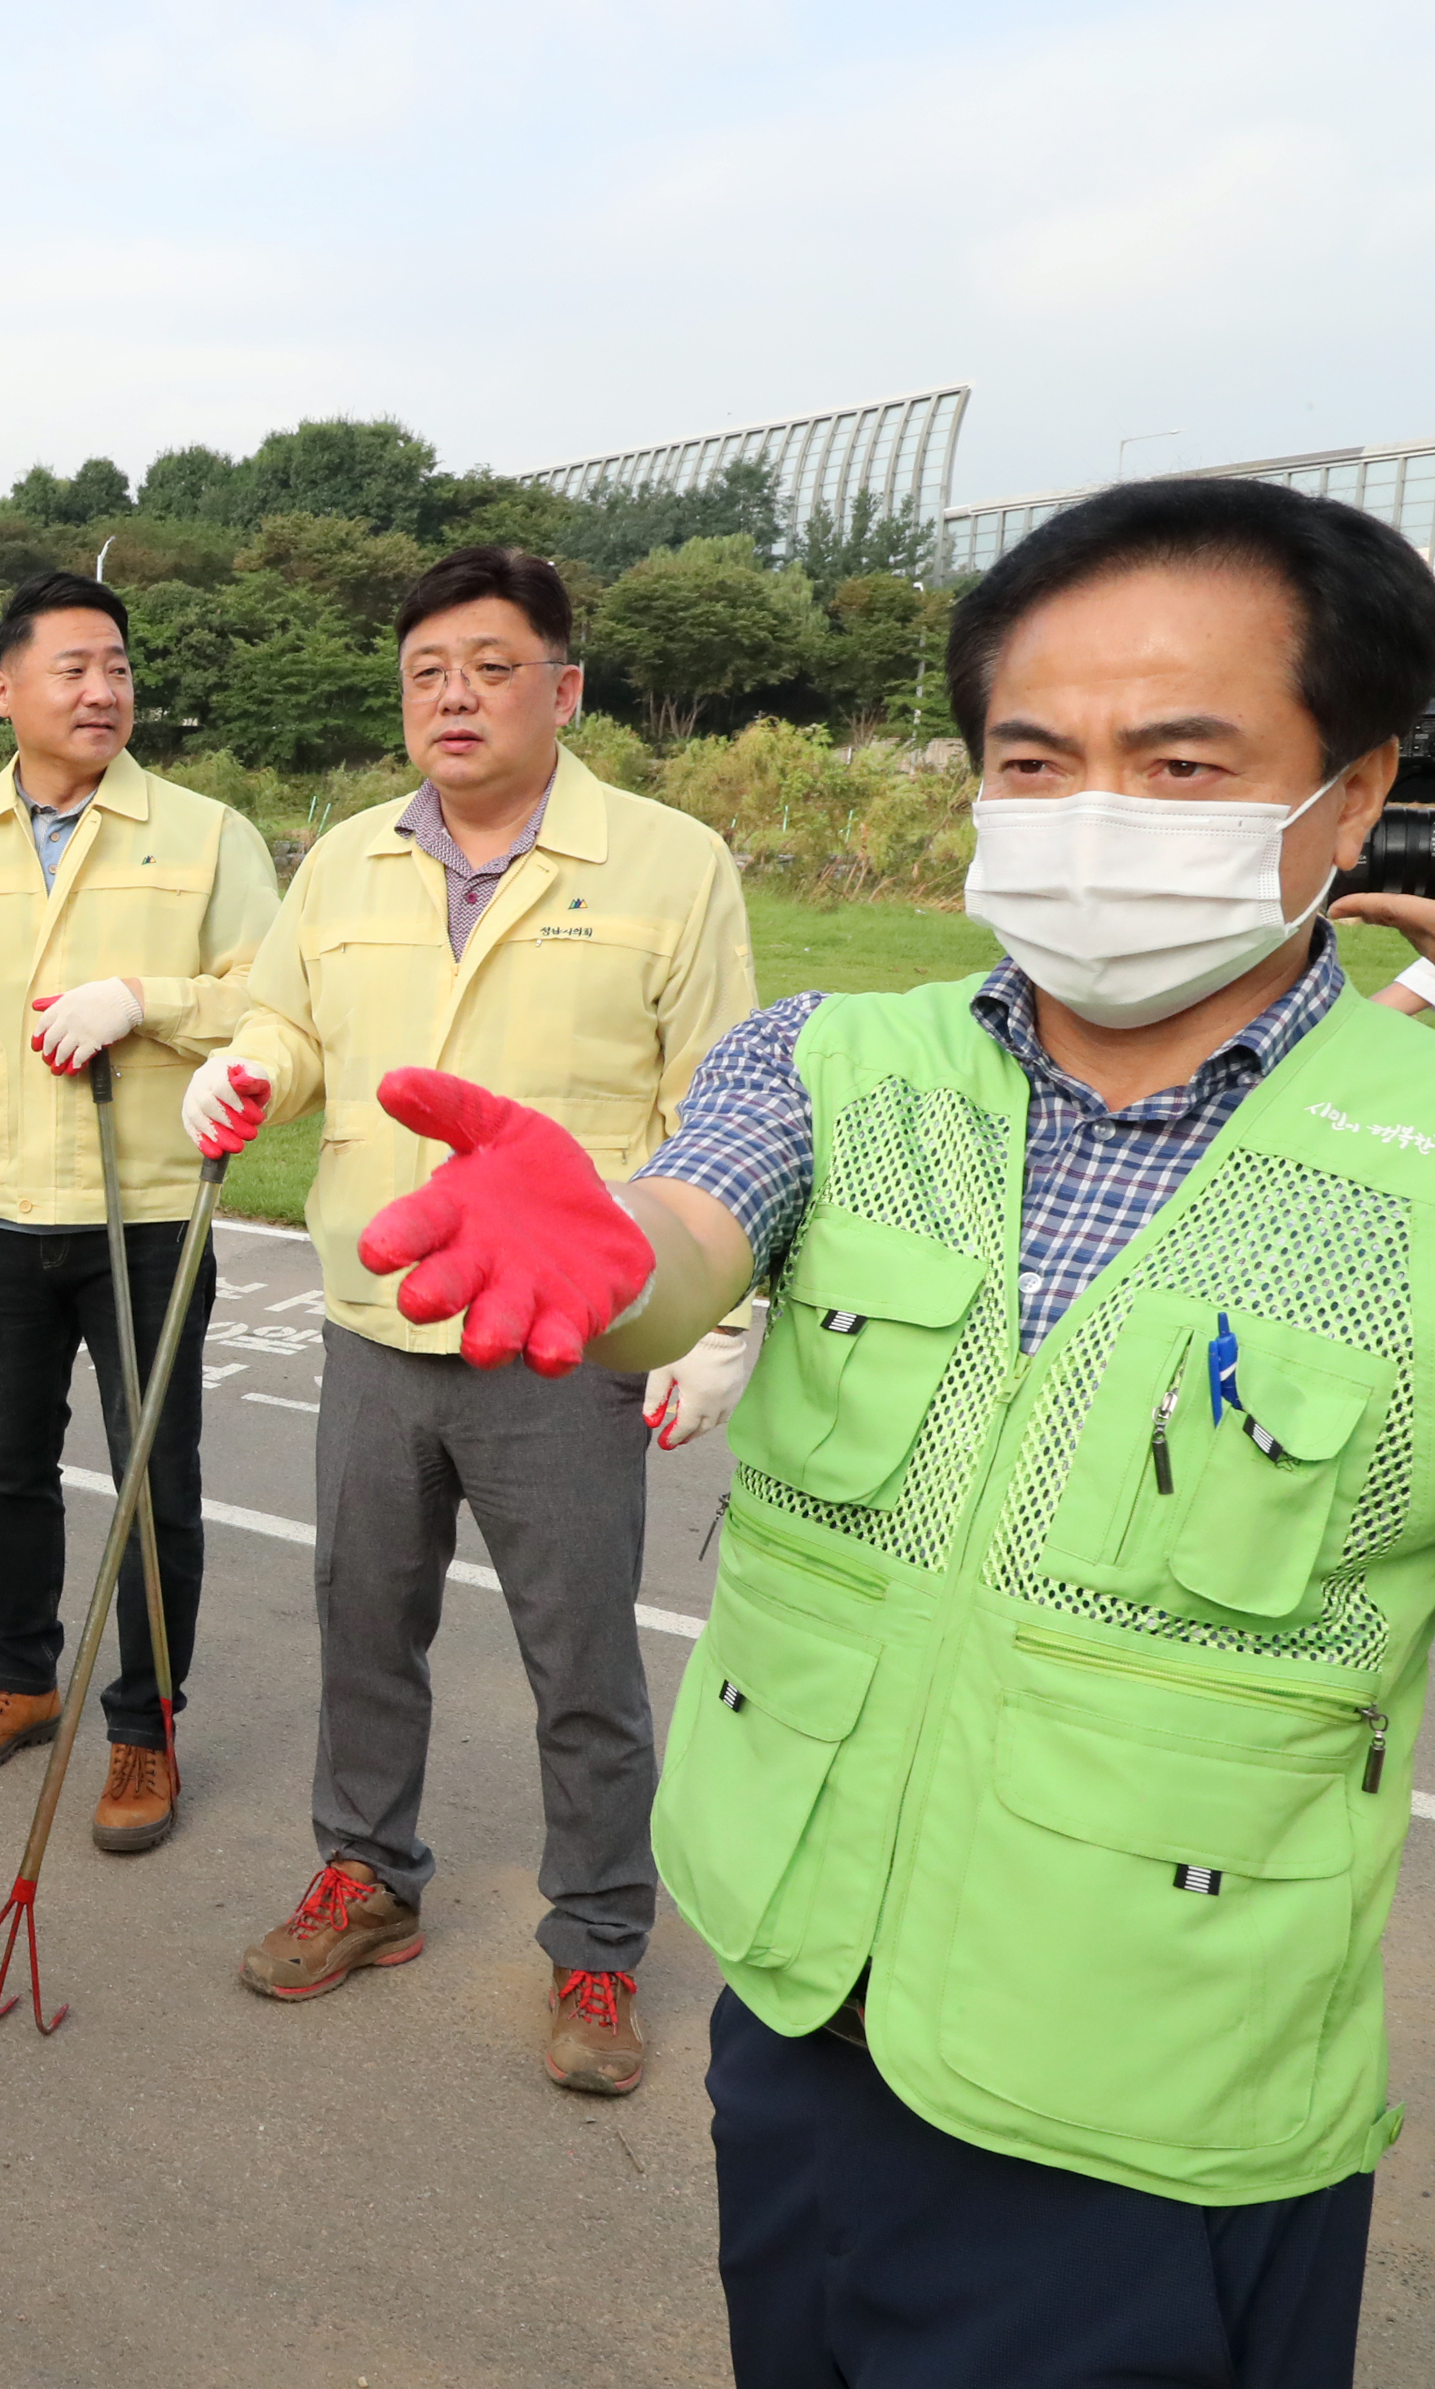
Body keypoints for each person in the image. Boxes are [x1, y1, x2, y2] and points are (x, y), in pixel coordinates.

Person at [248, 478, 1435, 2385]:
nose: (1092, 814)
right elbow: (674, 1238)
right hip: (805, 2014)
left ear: (1353, 791)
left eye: (1180, 759)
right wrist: (593, 1244)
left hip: (1158, 2095)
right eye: (1033, 759)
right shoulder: (836, 1062)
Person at [182, 544, 755, 2096]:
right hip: (379, 1312)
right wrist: (246, 1070)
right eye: (429, 671)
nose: (456, 696)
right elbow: (290, 1020)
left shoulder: (668, 861)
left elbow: (722, 1105)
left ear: (563, 689)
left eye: (492, 668)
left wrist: (712, 1328)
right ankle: (366, 1879)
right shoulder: (347, 858)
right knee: (366, 1622)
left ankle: (596, 1943)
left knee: (582, 1660)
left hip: (563, 1335)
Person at [0, 571, 277, 1851]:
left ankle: (143, 1729)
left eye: (119, 669)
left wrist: (142, 995)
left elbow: (276, 998)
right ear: (5, 690)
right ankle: (22, 1675)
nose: (103, 692)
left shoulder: (205, 835)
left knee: (155, 1484)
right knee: (7, 1470)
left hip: (143, 1215)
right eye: (73, 669)